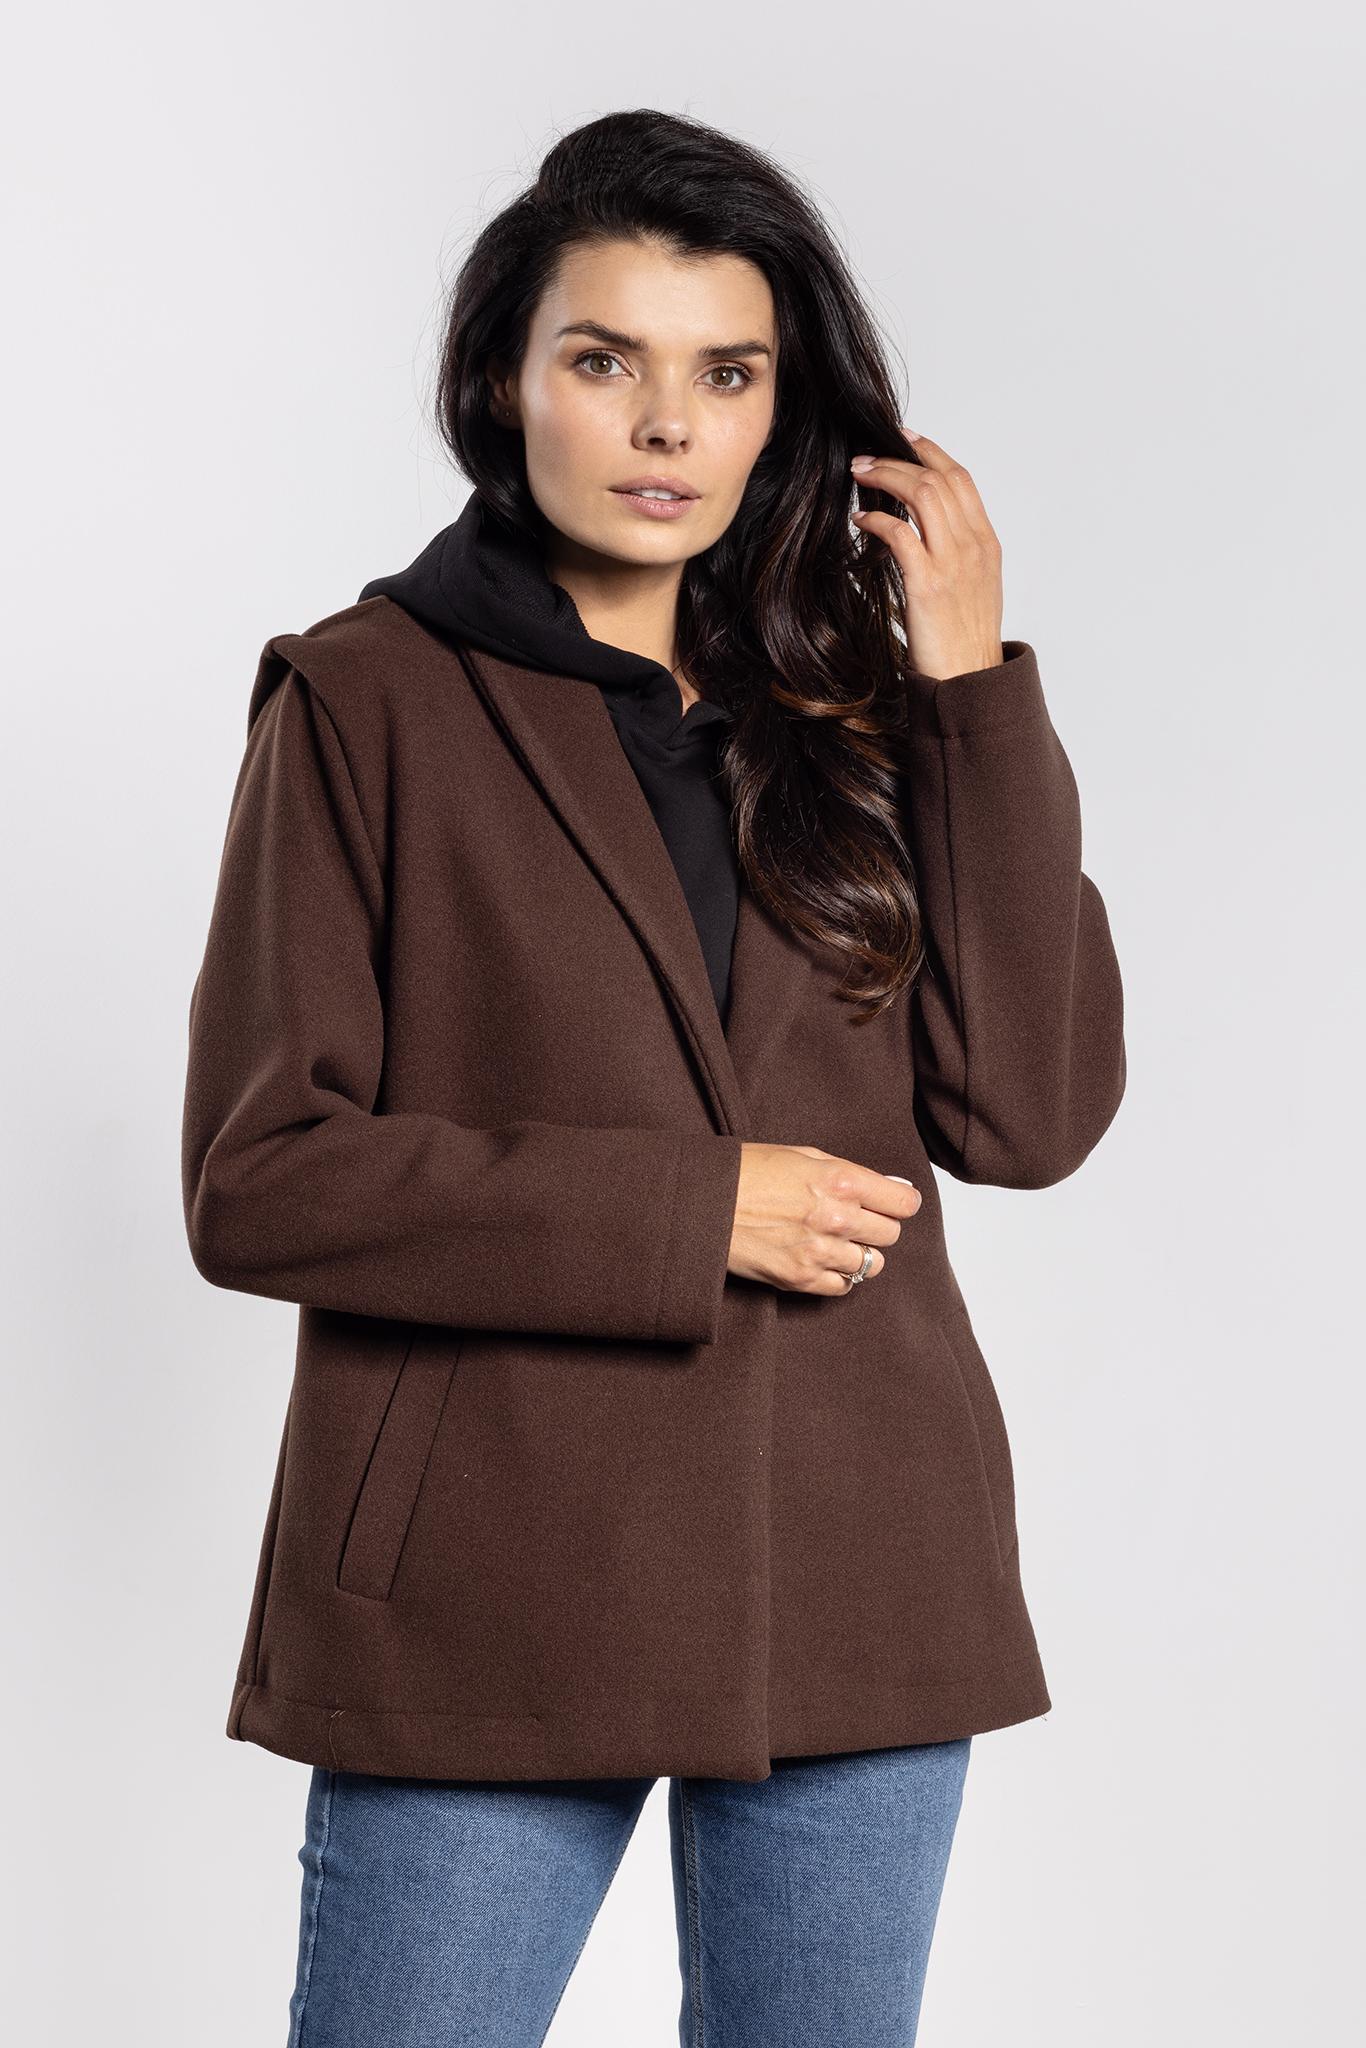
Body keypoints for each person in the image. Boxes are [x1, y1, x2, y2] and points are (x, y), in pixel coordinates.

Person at [181, 107, 1126, 2048]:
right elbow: (261, 1175)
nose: (667, 424)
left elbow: (1027, 1114)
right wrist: (695, 1211)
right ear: (501, 381)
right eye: (603, 360)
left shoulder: (858, 708)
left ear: (785, 409)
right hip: (488, 1574)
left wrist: (964, 684)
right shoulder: (363, 696)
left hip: (856, 1554)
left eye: (727, 373)